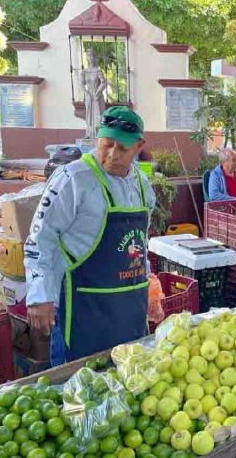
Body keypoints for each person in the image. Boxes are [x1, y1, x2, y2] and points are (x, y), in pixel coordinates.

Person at [24, 106, 156, 365]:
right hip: (84, 311)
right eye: (106, 145)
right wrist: (41, 296)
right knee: (77, 390)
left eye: (123, 148)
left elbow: (140, 241)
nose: (112, 155)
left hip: (130, 309)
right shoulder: (73, 178)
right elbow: (42, 238)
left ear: (138, 146)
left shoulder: (142, 184)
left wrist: (146, 281)